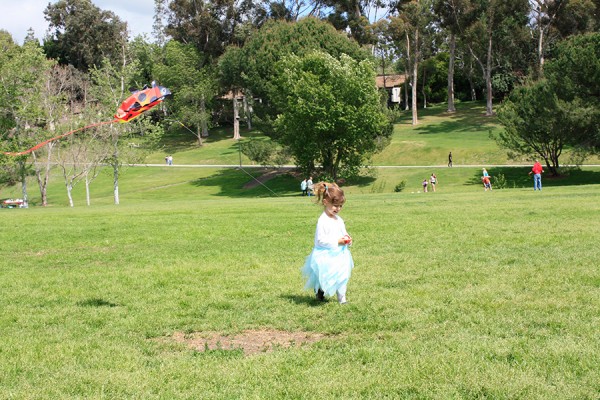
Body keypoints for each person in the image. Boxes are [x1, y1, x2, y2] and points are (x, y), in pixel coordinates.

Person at [302, 182, 354, 304]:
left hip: (341, 255)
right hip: (325, 255)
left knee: (342, 276)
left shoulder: (338, 220)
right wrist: (338, 241)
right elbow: (320, 240)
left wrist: (347, 238)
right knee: (326, 277)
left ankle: (342, 299)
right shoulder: (322, 221)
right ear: (326, 203)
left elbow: (343, 232)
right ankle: (320, 291)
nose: (338, 209)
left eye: (340, 206)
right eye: (335, 205)